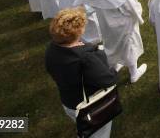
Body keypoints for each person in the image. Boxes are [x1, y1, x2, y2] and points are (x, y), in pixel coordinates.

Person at [45, 8, 117, 138]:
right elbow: (108, 79)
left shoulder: (51, 49)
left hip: (68, 101)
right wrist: (114, 69)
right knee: (98, 133)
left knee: (83, 127)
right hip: (90, 106)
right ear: (77, 33)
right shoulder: (85, 57)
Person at [73, 0, 147, 83]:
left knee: (112, 45)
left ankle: (115, 64)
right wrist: (138, 13)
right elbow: (132, 8)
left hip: (107, 26)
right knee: (129, 46)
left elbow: (88, 8)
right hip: (124, 26)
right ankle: (134, 73)